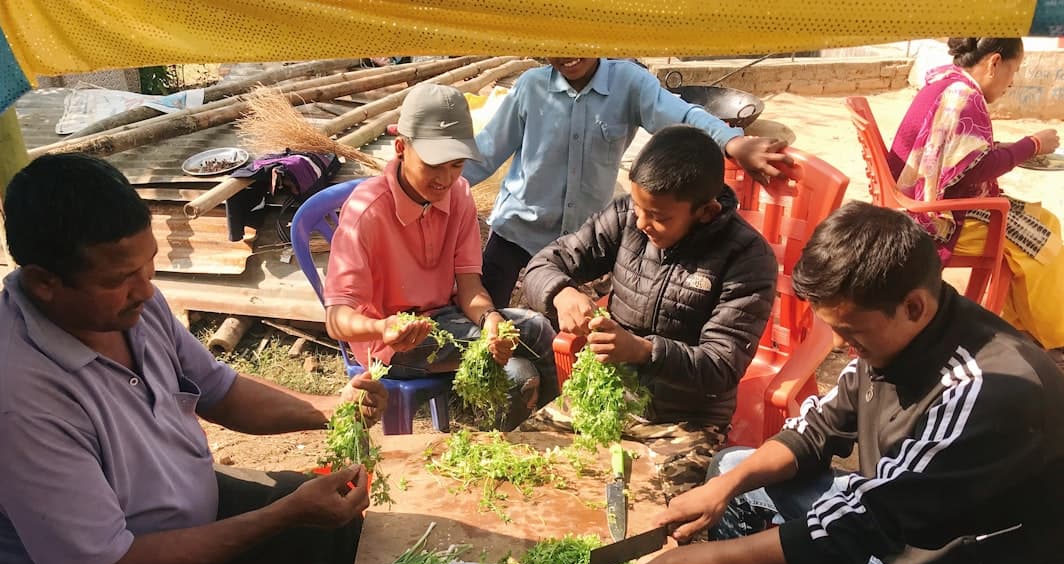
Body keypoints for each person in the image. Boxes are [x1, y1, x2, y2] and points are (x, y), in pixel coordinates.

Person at [593, 202, 1064, 564]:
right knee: (734, 469)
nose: (844, 349)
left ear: (913, 306)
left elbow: (846, 534)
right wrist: (723, 488)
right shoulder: (893, 337)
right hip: (911, 539)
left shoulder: (987, 393)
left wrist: (679, 563)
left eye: (854, 335)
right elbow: (815, 432)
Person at [0, 153, 388, 564]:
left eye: (147, 266)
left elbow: (220, 390)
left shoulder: (129, 309)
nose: (146, 291)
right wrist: (282, 515)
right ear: (44, 283)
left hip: (163, 521)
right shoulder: (11, 396)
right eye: (120, 279)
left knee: (336, 527)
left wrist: (331, 408)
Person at [522, 126, 777, 498]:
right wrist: (560, 293)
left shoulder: (747, 258)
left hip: (684, 421)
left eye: (658, 216)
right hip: (605, 398)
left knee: (658, 517)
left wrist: (644, 352)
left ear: (706, 212)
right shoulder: (629, 216)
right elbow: (543, 265)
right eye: (639, 208)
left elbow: (722, 366)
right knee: (523, 466)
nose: (642, 224)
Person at [462, 57, 791, 308]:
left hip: (578, 240)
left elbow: (683, 114)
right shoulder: (530, 88)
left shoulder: (629, 84)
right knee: (487, 313)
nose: (568, 55)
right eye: (557, 44)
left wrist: (732, 142)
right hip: (517, 231)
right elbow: (487, 151)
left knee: (563, 322)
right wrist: (437, 185)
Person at [323, 84, 558, 430]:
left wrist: (490, 320)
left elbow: (469, 286)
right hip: (390, 345)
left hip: (446, 322)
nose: (445, 179)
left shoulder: (459, 195)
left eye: (457, 165)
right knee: (535, 328)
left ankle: (531, 447)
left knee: (520, 374)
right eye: (434, 165)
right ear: (401, 148)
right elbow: (336, 320)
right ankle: (556, 427)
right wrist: (381, 328)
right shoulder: (366, 213)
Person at [889, 37, 1064, 360]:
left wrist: (1011, 148)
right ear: (995, 63)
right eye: (1014, 71)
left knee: (1047, 221)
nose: (1012, 82)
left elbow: (957, 154)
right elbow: (974, 169)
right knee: (1045, 244)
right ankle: (1055, 339)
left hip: (916, 200)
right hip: (939, 216)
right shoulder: (962, 96)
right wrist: (1032, 145)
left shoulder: (945, 81)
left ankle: (1025, 325)